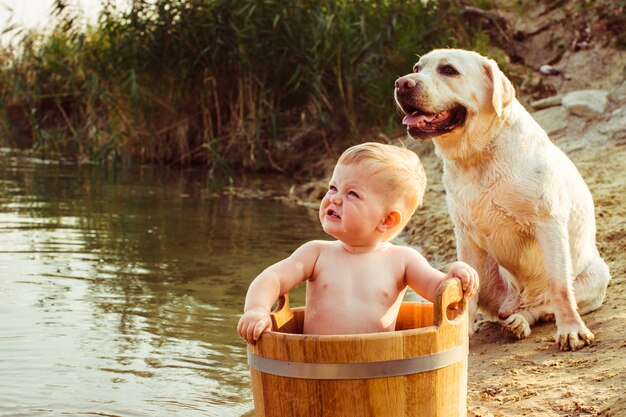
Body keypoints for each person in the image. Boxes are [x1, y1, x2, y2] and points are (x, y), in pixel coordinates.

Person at [237, 142, 479, 344]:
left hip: (375, 369)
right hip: (315, 367)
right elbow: (272, 278)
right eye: (333, 187)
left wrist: (456, 277)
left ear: (387, 219)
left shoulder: (402, 260)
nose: (335, 199)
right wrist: (257, 310)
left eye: (352, 194)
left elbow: (440, 291)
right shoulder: (315, 254)